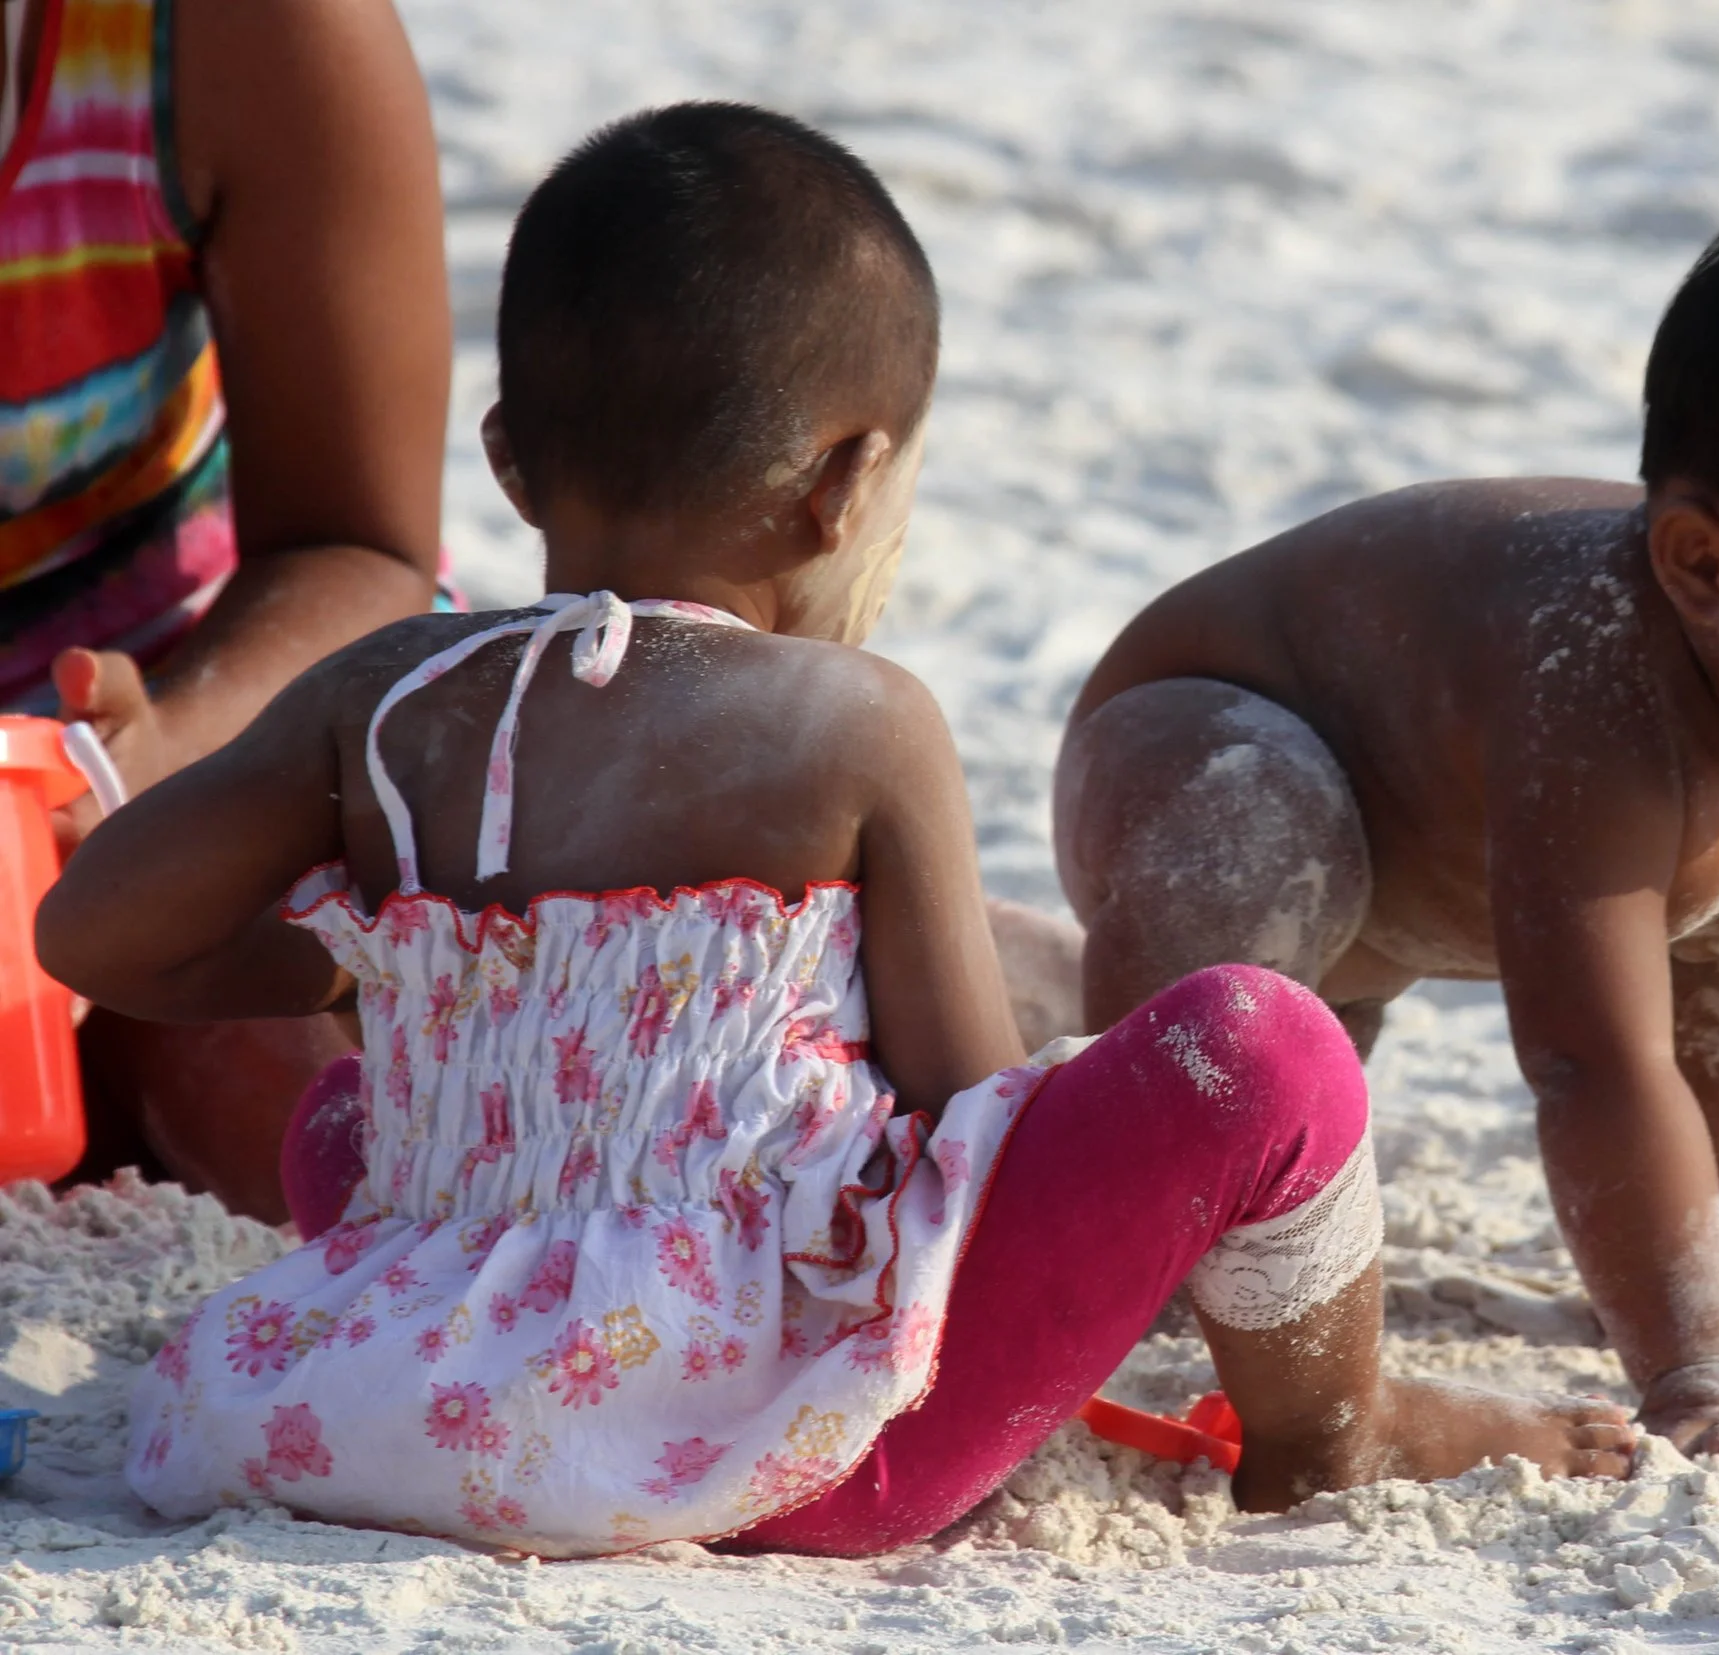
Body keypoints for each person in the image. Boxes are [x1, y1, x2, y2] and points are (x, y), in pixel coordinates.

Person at [38, 104, 1630, 1556]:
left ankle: (485, 1289)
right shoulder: (853, 718)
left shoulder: (389, 695)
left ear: (510, 457)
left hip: (384, 1393)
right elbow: (962, 1113)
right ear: (845, 485)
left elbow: (91, 931)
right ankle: (1333, 1427)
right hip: (790, 1454)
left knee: (359, 1131)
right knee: (1265, 1049)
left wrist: (369, 966)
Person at [1053, 160, 1719, 1469]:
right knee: (1257, 816)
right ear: (1701, 566)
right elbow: (1590, 1055)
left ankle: (1709, 1233)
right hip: (1233, 743)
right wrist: (1698, 1372)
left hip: (1553, 867)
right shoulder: (1600, 686)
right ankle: (1149, 1174)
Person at [1, 0, 451, 1220]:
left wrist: (155, 766)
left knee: (318, 1140)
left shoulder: (242, 34)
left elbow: (361, 545)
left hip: (162, 707)